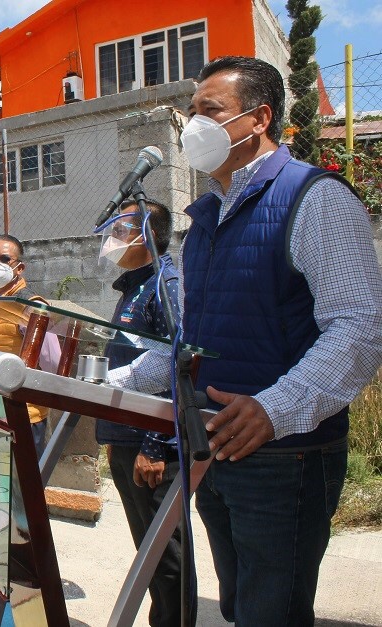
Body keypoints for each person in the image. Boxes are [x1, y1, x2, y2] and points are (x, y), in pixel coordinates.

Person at [108, 56, 382, 625]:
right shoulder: (204, 220)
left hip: (285, 456)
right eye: (191, 112)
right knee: (239, 604)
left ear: (259, 119)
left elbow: (358, 327)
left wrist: (274, 409)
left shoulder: (316, 198)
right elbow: (191, 340)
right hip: (215, 450)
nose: (194, 125)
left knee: (271, 612)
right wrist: (111, 383)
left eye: (210, 110)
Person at [96, 199, 190, 627]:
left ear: (147, 236)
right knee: (147, 551)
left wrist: (156, 446)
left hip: (152, 445)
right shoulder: (134, 286)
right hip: (126, 437)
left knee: (165, 556)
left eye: (121, 230)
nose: (111, 239)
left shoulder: (165, 285)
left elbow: (177, 365)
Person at [0, 234, 51, 455]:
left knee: (22, 477)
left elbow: (51, 362)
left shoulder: (30, 306)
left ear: (20, 268)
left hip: (22, 413)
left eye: (5, 259)